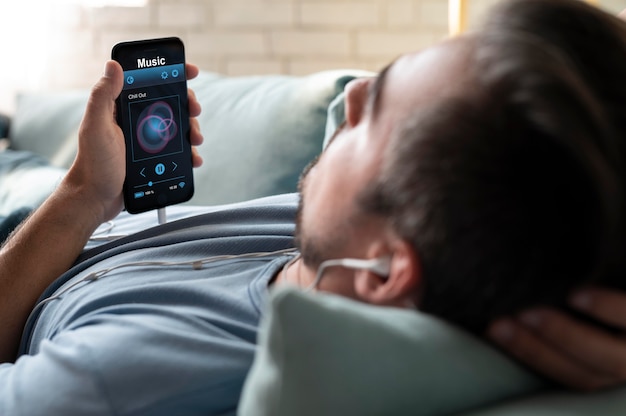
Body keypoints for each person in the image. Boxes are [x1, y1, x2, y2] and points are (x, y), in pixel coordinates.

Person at [0, 0, 625, 413]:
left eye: (373, 114)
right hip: (64, 201)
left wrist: (80, 198)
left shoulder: (117, 384)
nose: (350, 94)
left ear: (386, 270)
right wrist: (90, 189)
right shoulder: (335, 238)